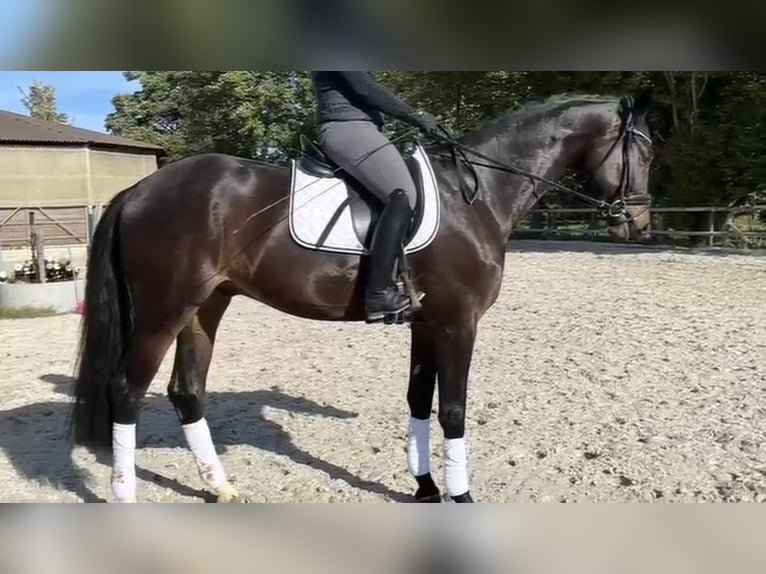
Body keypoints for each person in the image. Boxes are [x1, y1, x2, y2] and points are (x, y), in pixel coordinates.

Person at [310, 71, 440, 321]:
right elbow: (366, 89)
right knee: (402, 195)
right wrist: (416, 116)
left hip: (363, 128)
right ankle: (379, 292)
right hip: (346, 126)